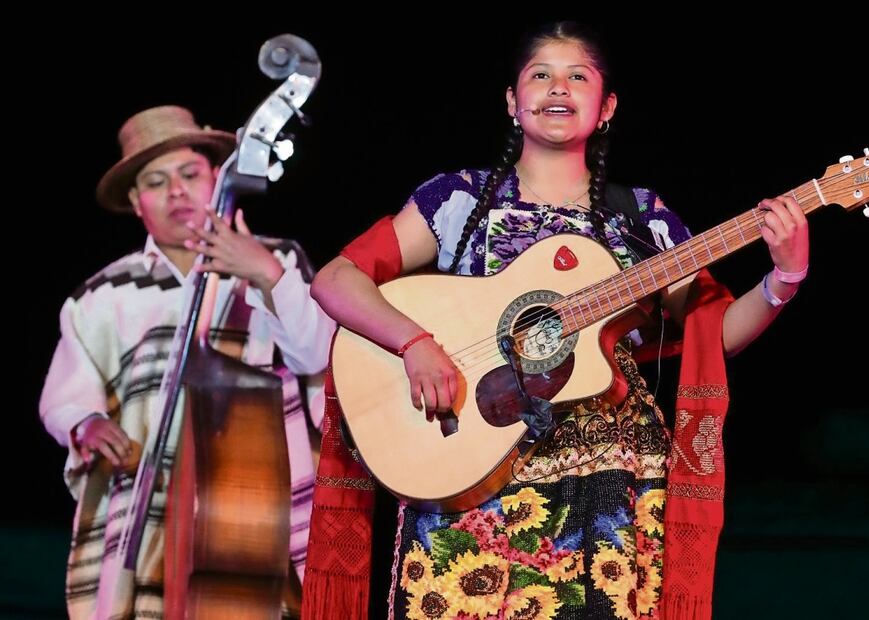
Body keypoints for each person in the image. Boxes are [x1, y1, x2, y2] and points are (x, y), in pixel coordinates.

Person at [303, 22, 808, 620]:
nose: (557, 87)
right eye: (539, 74)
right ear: (512, 102)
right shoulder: (458, 201)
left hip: (611, 490)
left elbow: (714, 335)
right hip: (472, 473)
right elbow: (336, 279)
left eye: (578, 75)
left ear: (607, 105)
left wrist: (784, 278)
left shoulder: (641, 219)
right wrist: (414, 343)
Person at [39, 105, 337, 619]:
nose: (176, 191)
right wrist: (83, 422)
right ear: (136, 201)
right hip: (148, 507)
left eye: (189, 174)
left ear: (218, 178)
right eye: (156, 182)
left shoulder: (277, 261)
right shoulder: (103, 295)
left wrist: (265, 274)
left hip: (257, 515)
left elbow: (315, 354)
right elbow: (65, 392)